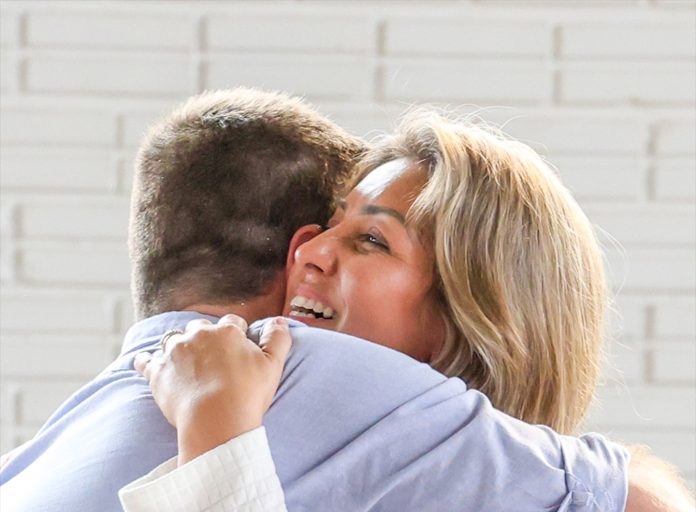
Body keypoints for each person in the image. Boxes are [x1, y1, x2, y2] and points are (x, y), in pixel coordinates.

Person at [1, 92, 689, 511]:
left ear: (472, 313)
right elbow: (643, 500)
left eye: (370, 241)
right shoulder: (307, 366)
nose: (309, 249)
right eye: (329, 224)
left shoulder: (54, 441)